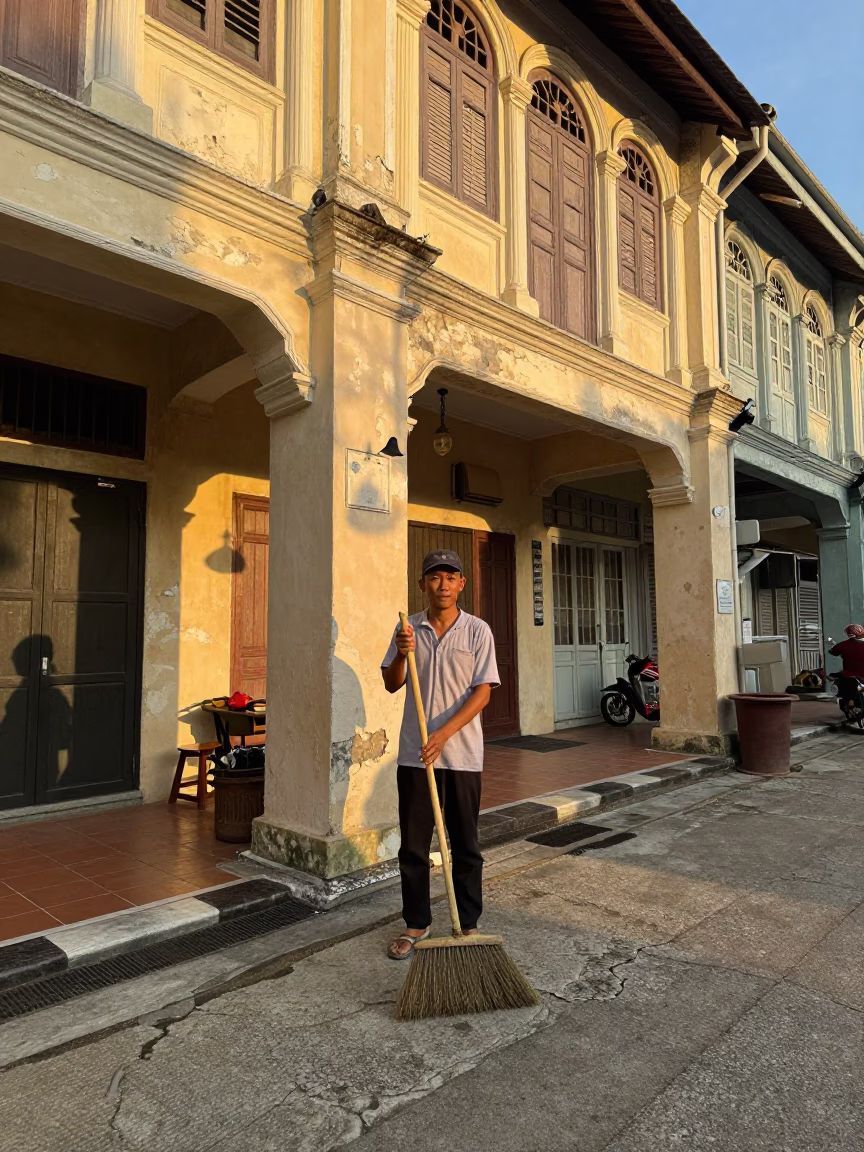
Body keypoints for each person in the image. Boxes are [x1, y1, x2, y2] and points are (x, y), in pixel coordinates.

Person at [381, 549, 499, 960]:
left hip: (462, 755)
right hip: (416, 756)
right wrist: (401, 653)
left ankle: (467, 923)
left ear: (461, 584)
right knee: (414, 847)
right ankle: (416, 923)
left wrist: (444, 734)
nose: (442, 585)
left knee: (465, 844)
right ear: (423, 584)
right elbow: (392, 683)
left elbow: (482, 692)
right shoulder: (407, 629)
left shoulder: (477, 631)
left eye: (450, 577)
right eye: (434, 577)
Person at [829, 625, 864, 698]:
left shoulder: (843, 645)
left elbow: (833, 652)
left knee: (835, 678)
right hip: (858, 677)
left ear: (850, 634)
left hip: (849, 675)